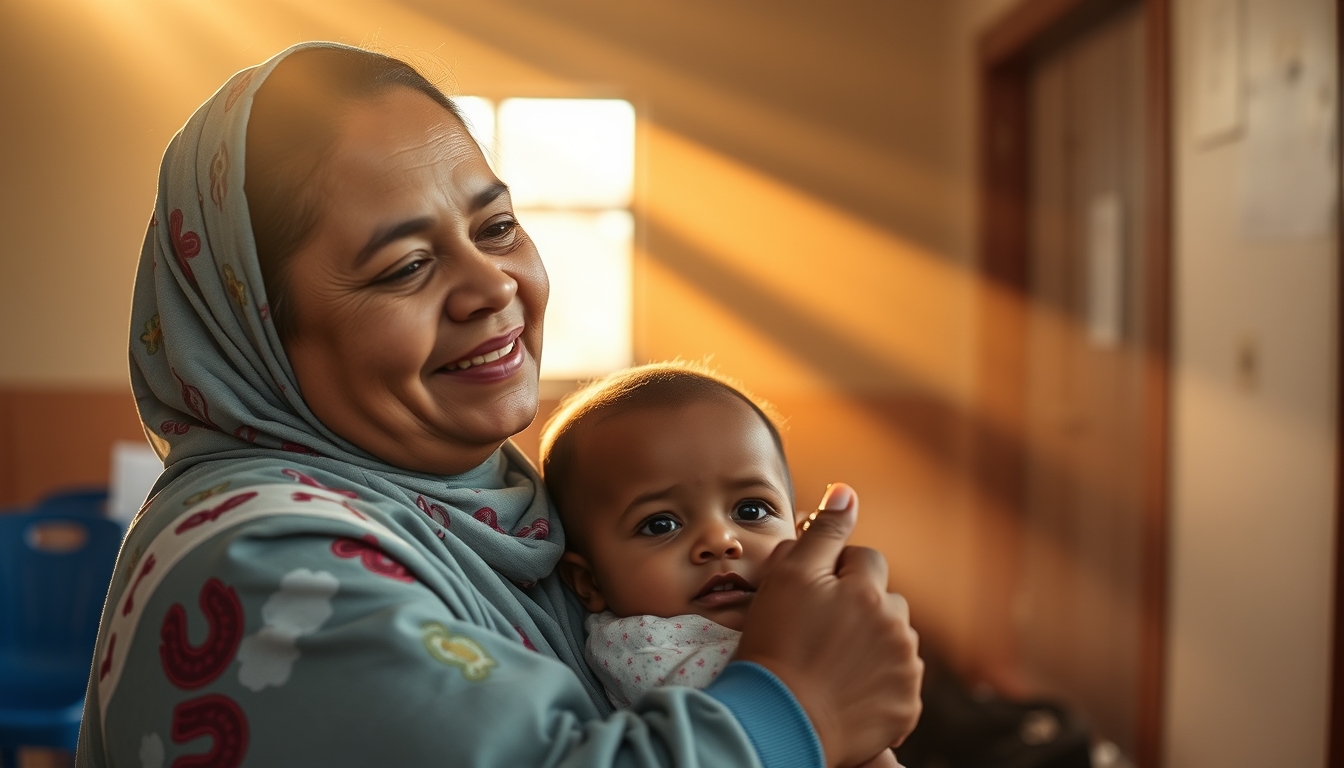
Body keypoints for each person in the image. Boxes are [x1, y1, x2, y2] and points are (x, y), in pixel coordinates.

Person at [77, 41, 923, 768]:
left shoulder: (504, 512)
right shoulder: (260, 570)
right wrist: (796, 704)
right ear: (259, 333)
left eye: (496, 227)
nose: (492, 285)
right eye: (405, 265)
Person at [540, 362, 903, 768]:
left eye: (751, 510)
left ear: (801, 538)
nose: (720, 541)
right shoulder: (645, 648)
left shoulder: (796, 610)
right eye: (661, 524)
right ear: (590, 583)